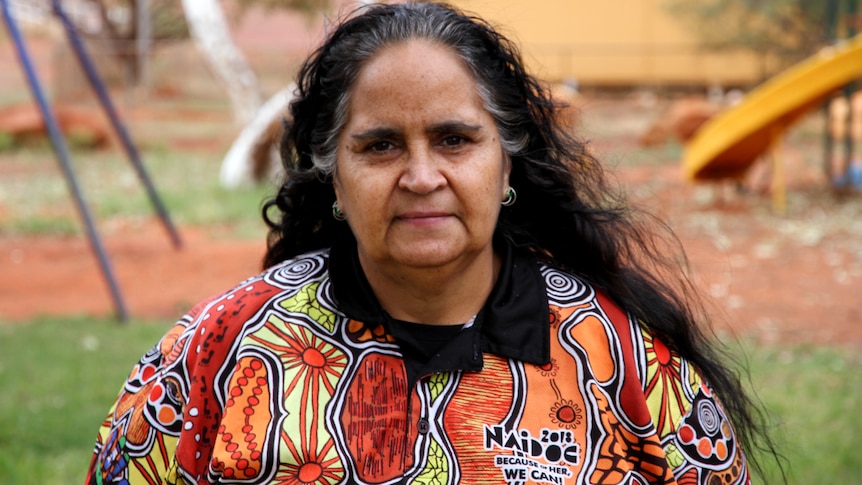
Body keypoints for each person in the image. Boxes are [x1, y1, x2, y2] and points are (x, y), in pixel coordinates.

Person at [85, 2, 780, 484]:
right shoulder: (216, 352)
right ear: (334, 174)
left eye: (454, 139)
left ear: (505, 161)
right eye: (381, 145)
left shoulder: (628, 365)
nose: (422, 177)